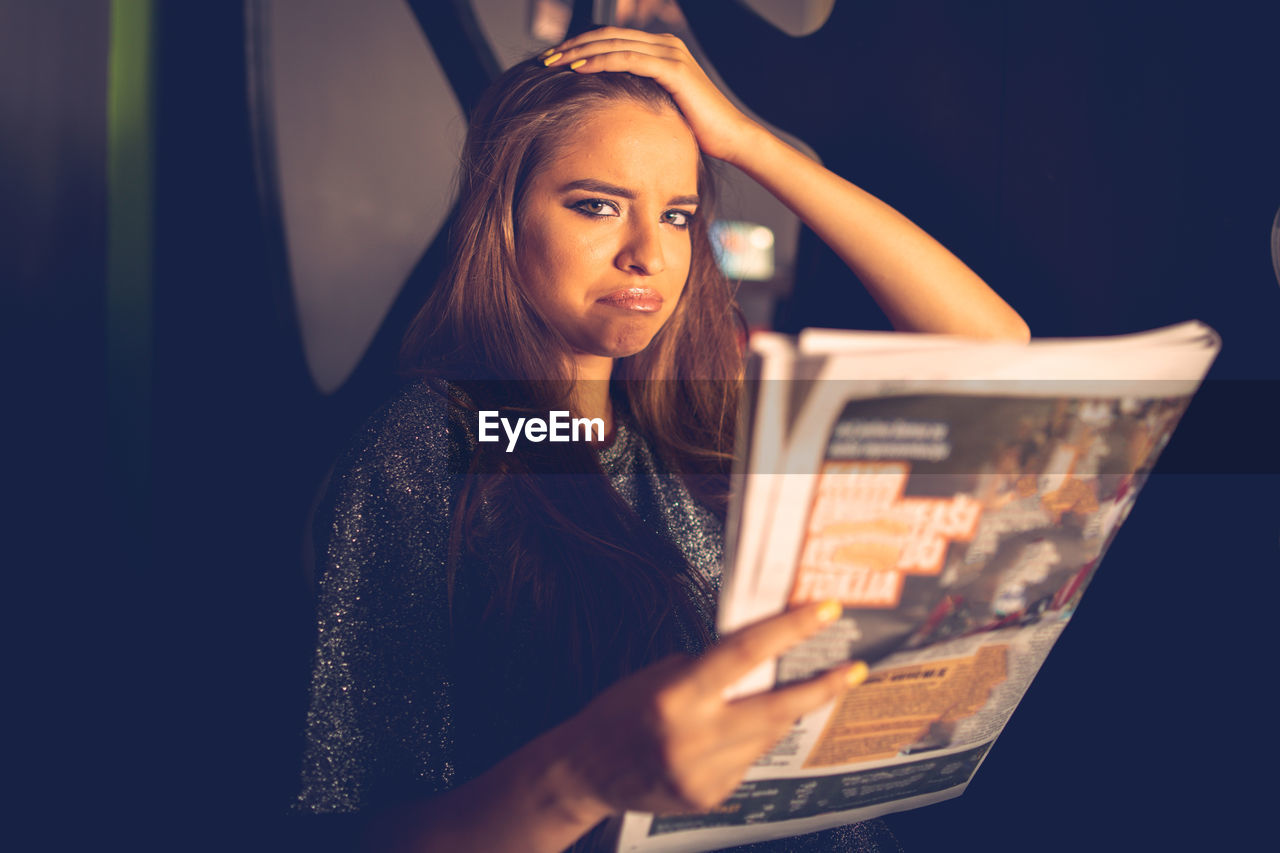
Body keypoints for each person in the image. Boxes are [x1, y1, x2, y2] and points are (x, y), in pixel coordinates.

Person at [295, 27, 1029, 852]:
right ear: (503, 217)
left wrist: (749, 143)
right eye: (598, 205)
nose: (649, 253)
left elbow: (995, 352)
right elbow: (358, 824)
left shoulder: (704, 419)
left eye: (677, 215)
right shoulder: (429, 449)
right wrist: (578, 775)